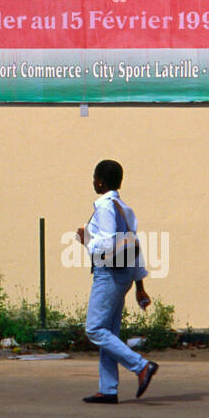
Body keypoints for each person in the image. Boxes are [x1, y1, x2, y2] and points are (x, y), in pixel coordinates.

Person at [75, 159, 159, 403]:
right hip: (123, 275)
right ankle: (108, 389)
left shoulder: (104, 207)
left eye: (94, 177)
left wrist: (87, 240)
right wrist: (140, 286)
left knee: (94, 329)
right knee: (109, 331)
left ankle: (141, 366)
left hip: (109, 273)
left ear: (100, 180)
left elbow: (109, 242)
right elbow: (133, 246)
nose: (93, 181)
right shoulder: (124, 207)